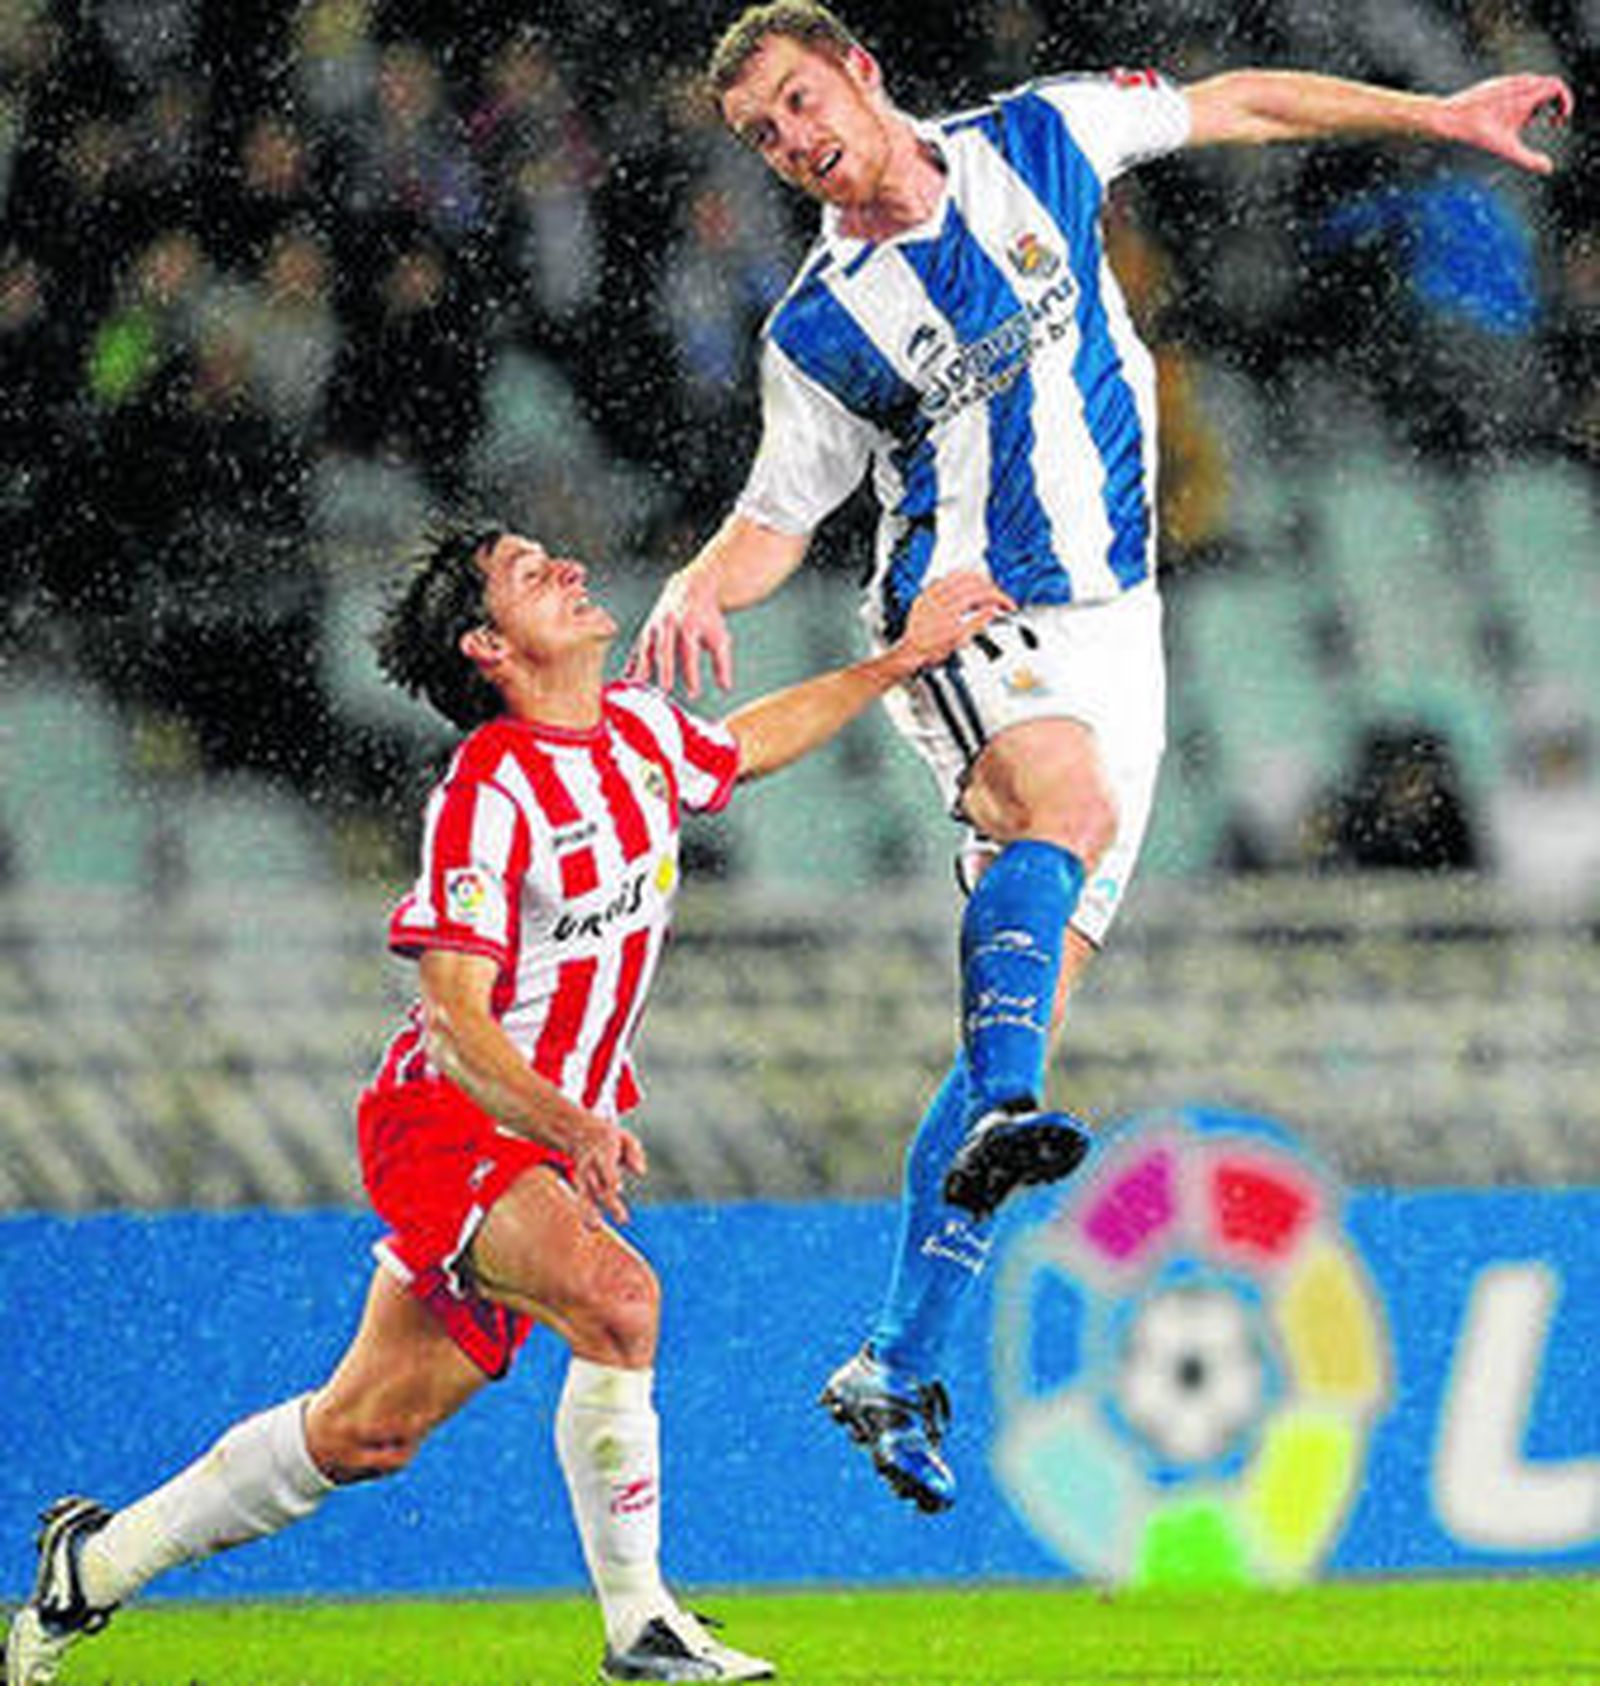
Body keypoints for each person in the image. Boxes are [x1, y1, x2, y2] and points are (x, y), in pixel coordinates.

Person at [625, 0, 1573, 1515]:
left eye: (803, 102)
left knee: (1035, 1000)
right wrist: (691, 584)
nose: (797, 142)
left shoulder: (1043, 137)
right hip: (968, 611)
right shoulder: (818, 324)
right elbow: (777, 516)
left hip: (1120, 619)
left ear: (862, 71)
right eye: (764, 135)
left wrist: (1436, 115)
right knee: (1047, 830)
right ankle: (1004, 1107)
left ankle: (893, 1354)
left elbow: (1239, 104)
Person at [4, 523, 1009, 1686]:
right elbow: (454, 1021)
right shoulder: (487, 794)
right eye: (536, 575)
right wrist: (570, 1123)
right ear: (489, 645)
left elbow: (735, 751)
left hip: (532, 1135)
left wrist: (893, 665)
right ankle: (641, 1626)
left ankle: (93, 1565)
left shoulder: (636, 731)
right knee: (621, 1303)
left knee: (364, 1431)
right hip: (454, 1122)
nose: (573, 572)